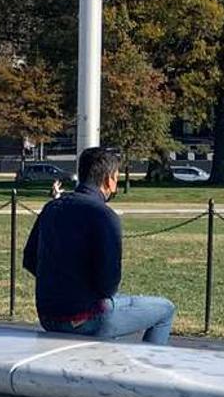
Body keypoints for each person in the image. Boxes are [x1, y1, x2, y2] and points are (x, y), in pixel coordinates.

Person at [21, 146, 174, 344]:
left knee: (118, 305)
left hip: (48, 316)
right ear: (109, 179)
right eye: (116, 178)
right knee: (165, 310)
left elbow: (29, 260)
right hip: (87, 317)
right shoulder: (104, 215)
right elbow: (109, 283)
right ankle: (146, 368)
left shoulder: (51, 208)